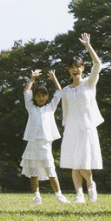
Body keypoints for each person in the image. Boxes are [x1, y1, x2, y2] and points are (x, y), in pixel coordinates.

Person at [57, 32, 104, 203]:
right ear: (69, 70)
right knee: (73, 163)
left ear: (82, 68)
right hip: (71, 128)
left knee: (84, 163)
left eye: (78, 66)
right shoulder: (66, 90)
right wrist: (65, 127)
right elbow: (65, 111)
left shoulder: (89, 84)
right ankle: (79, 195)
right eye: (72, 67)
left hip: (86, 127)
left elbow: (98, 64)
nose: (75, 70)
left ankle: (91, 184)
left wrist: (88, 46)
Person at [21, 69, 69, 206]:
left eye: (44, 95)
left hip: (45, 144)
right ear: (35, 97)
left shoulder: (50, 107)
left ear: (47, 97)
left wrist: (54, 79)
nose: (41, 98)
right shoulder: (31, 107)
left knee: (50, 169)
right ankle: (37, 197)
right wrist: (32, 79)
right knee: (34, 172)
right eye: (38, 96)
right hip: (32, 143)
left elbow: (59, 93)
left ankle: (59, 195)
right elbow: (26, 92)